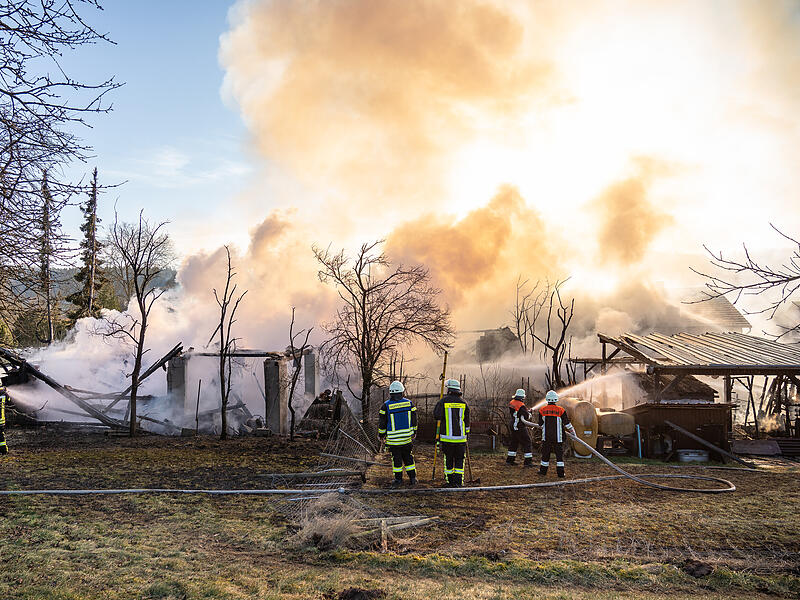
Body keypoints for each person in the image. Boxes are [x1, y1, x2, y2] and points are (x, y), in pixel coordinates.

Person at [377, 380, 418, 487]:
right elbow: (414, 420)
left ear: (390, 393)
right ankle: (413, 478)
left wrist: (381, 436)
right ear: (402, 391)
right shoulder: (409, 403)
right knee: (408, 458)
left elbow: (382, 424)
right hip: (406, 439)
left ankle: (398, 480)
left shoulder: (385, 406)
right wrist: (414, 431)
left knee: (397, 460)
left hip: (394, 441)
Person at [433, 379, 470, 487]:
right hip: (461, 439)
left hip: (447, 438)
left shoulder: (443, 401)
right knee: (459, 460)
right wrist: (467, 434)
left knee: (448, 460)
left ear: (449, 389)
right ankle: (458, 482)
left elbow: (437, 416)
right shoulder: (464, 403)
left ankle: (450, 481)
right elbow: (467, 422)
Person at [538, 390, 575, 477]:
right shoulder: (561, 410)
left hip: (546, 437)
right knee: (559, 456)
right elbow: (567, 424)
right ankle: (561, 473)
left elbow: (540, 424)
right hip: (558, 437)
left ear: (547, 399)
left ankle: (543, 472)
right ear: (556, 400)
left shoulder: (542, 410)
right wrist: (573, 433)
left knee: (545, 454)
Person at [506, 388, 535, 467]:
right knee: (527, 442)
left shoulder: (512, 402)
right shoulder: (521, 405)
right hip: (519, 426)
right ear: (522, 397)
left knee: (514, 442)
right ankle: (528, 462)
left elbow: (518, 413)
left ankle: (510, 460)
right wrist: (530, 413)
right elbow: (526, 416)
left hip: (513, 424)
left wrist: (526, 411)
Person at [0, 373, 8, 455]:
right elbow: (8, 401)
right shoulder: (3, 393)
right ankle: (3, 451)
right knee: (1, 436)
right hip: (2, 420)